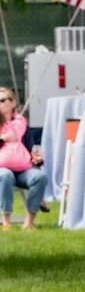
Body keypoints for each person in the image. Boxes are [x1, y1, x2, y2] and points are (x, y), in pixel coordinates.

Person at [0, 86, 47, 230]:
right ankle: (6, 220)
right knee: (6, 175)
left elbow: (29, 148)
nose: (0, 103)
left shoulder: (21, 124)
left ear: (13, 102)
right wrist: (3, 139)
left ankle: (29, 221)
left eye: (2, 100)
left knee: (39, 177)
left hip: (22, 168)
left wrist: (36, 158)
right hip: (2, 168)